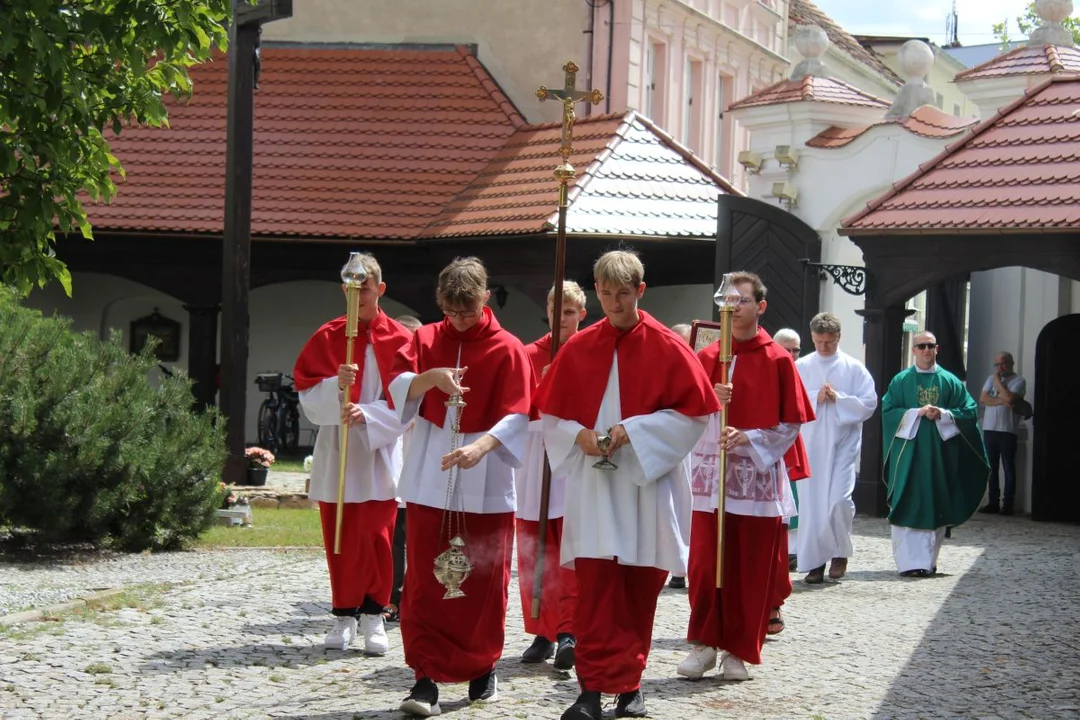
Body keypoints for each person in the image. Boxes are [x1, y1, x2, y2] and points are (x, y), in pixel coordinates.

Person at [534, 250, 718, 720]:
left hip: (646, 485)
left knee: (638, 587)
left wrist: (633, 431)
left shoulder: (668, 346)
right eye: (606, 294)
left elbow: (694, 415)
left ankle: (630, 685)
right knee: (596, 589)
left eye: (623, 294)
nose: (614, 303)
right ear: (595, 292)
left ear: (640, 291)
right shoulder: (577, 348)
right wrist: (577, 435)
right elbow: (550, 415)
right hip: (594, 488)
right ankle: (591, 690)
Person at [387, 257, 532, 717]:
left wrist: (483, 446)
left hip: (485, 475)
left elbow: (519, 413)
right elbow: (397, 389)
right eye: (451, 312)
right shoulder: (426, 338)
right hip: (431, 471)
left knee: (483, 580)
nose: (459, 321)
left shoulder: (508, 348)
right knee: (426, 581)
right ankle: (424, 678)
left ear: (485, 298)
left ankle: (483, 667)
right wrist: (430, 378)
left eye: (467, 312)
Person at [678, 271, 813, 682]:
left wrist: (749, 437)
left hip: (753, 482)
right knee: (704, 567)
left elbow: (791, 423)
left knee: (747, 569)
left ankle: (738, 650)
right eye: (728, 302)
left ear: (761, 307)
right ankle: (703, 645)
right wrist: (707, 401)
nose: (733, 309)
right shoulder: (705, 357)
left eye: (743, 301)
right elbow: (681, 417)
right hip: (708, 481)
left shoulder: (777, 359)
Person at [292, 253, 413, 654]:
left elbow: (408, 401)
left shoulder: (399, 338)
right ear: (343, 290)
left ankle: (375, 614)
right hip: (338, 449)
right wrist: (335, 386)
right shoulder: (328, 335)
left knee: (378, 537)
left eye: (365, 289)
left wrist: (370, 412)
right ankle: (344, 614)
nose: (357, 296)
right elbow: (308, 395)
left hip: (376, 451)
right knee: (340, 536)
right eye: (350, 289)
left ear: (380, 290)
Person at [517, 282, 587, 668]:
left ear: (581, 314)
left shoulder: (590, 350)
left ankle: (568, 630)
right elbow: (517, 406)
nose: (561, 318)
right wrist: (541, 387)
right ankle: (542, 630)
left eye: (569, 311)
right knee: (535, 546)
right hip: (536, 455)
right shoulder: (528, 354)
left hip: (575, 455)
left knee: (569, 550)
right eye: (555, 309)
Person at [882, 331, 989, 577]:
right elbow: (888, 411)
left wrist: (944, 414)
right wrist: (915, 413)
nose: (926, 350)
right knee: (907, 502)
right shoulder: (900, 381)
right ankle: (908, 563)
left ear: (937, 349)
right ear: (914, 350)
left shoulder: (950, 381)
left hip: (939, 456)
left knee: (935, 502)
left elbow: (969, 411)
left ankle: (928, 561)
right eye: (921, 346)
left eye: (930, 346)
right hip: (909, 456)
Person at [793, 313, 877, 584]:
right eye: (819, 342)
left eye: (829, 342)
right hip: (811, 444)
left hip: (843, 443)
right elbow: (790, 399)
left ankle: (840, 552)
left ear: (838, 338)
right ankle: (815, 562)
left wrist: (838, 399)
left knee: (838, 501)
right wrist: (815, 397)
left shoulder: (853, 368)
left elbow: (868, 403)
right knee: (813, 505)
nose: (824, 347)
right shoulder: (802, 365)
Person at [384, 314, 423, 624]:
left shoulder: (430, 375)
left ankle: (418, 597)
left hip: (423, 470)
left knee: (420, 540)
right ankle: (393, 598)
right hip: (394, 470)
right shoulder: (394, 377)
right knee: (396, 541)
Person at [978, 351, 1027, 516]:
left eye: (1003, 363)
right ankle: (993, 502)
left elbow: (1011, 399)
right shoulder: (989, 379)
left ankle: (1008, 504)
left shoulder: (1019, 381)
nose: (1000, 367)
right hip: (989, 428)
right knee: (991, 468)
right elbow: (983, 399)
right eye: (997, 364)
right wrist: (1002, 400)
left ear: (1011, 363)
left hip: (1007, 429)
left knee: (1008, 467)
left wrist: (998, 381)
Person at [772, 327, 803, 577]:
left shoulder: (802, 369)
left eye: (796, 350)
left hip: (792, 442)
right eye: (787, 349)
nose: (792, 355)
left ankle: (792, 551)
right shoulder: (770, 368)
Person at [666, 321, 693, 591]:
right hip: (670, 447)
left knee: (690, 506)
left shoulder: (701, 369)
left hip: (699, 449)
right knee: (673, 504)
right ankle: (677, 567)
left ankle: (689, 564)